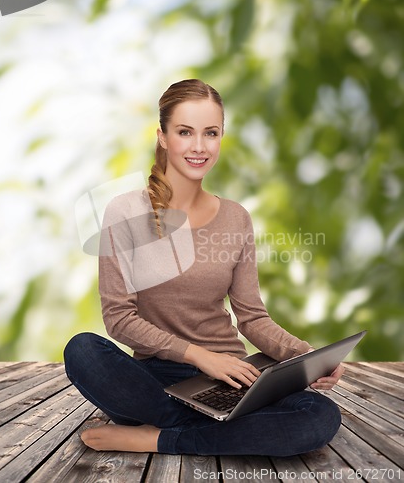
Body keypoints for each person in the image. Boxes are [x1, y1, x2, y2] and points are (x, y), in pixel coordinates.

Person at [64, 79, 343, 456]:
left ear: (221, 137)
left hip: (233, 377)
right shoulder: (126, 211)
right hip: (156, 378)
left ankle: (161, 437)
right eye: (184, 132)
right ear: (162, 136)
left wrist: (305, 356)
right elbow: (118, 319)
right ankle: (218, 431)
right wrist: (198, 356)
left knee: (320, 416)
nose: (199, 146)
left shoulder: (235, 217)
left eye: (210, 133)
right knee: (82, 350)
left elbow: (252, 317)